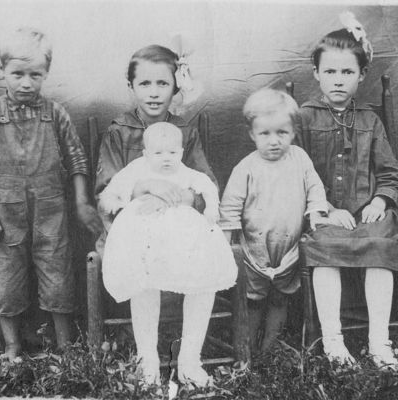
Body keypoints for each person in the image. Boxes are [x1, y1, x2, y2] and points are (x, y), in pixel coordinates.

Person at [0, 27, 102, 362]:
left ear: (46, 74)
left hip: (51, 213)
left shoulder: (56, 114)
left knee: (58, 276)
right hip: (5, 216)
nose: (26, 83)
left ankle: (65, 347)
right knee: (7, 280)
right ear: (2, 72)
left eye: (35, 75)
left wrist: (82, 201)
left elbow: (77, 159)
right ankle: (12, 346)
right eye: (17, 74)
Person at [94, 44, 222, 386]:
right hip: (135, 229)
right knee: (143, 262)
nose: (154, 93)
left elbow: (204, 183)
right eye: (145, 84)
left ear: (175, 87)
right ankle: (147, 357)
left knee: (207, 262)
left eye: (162, 84)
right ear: (131, 86)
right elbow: (106, 190)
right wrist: (145, 186)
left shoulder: (185, 131)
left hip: (181, 227)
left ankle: (190, 359)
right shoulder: (118, 131)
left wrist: (183, 194)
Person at [295, 12, 398, 368]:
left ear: (362, 75)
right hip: (324, 212)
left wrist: (381, 199)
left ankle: (379, 342)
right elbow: (297, 173)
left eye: (348, 72)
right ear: (316, 74)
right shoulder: (304, 118)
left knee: (381, 241)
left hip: (366, 212)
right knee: (324, 245)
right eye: (330, 72)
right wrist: (322, 208)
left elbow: (388, 172)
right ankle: (334, 341)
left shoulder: (370, 120)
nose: (338, 81)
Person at [99, 122, 237, 387]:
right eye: (158, 153)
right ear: (145, 153)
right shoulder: (136, 170)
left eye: (172, 153)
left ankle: (189, 361)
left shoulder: (187, 174)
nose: (166, 159)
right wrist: (136, 193)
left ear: (182, 152)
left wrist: (209, 210)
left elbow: (208, 189)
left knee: (204, 278)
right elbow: (109, 197)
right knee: (144, 284)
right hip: (145, 243)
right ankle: (147, 360)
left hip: (183, 244)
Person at [219, 88, 329, 355]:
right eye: (265, 133)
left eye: (282, 133)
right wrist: (227, 241)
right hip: (254, 250)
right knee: (253, 301)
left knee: (280, 298)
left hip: (289, 248)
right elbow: (230, 206)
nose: (274, 141)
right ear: (252, 134)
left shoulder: (300, 159)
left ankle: (268, 349)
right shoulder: (246, 168)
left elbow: (315, 188)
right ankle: (248, 348)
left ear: (293, 132)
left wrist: (315, 212)